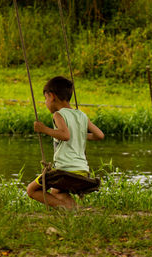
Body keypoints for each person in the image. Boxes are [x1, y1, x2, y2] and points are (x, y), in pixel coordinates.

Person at [27, 76, 104, 209]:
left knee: (31, 190)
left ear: (51, 96)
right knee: (56, 191)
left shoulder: (58, 114)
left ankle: (66, 208)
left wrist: (44, 129)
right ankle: (75, 210)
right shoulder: (81, 115)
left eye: (45, 98)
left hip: (65, 170)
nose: (46, 102)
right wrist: (79, 134)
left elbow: (65, 135)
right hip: (82, 171)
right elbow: (99, 135)